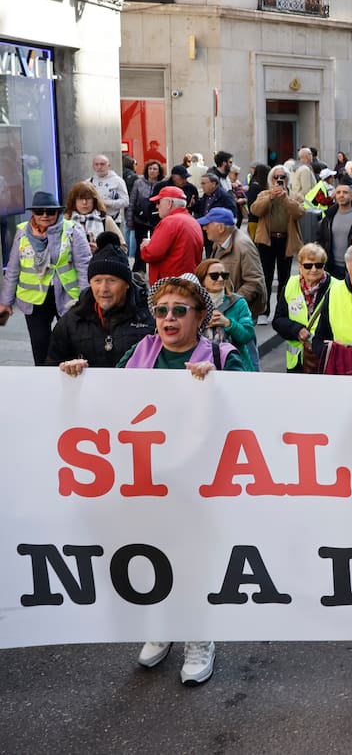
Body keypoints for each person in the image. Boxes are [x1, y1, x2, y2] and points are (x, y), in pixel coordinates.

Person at [60, 272, 245, 685]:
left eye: (180, 310)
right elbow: (106, 397)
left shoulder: (221, 355)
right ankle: (162, 626)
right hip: (147, 481)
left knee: (193, 560)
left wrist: (220, 384)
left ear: (200, 317)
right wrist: (78, 379)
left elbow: (252, 402)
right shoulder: (140, 352)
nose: (168, 318)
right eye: (161, 310)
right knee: (152, 556)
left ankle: (199, 636)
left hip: (201, 486)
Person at [0, 192, 92, 365]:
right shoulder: (22, 232)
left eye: (50, 212)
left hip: (67, 297)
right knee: (40, 345)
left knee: (69, 343)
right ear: (33, 213)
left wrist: (86, 299)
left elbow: (84, 267)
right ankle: (43, 382)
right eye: (39, 211)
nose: (44, 216)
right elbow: (13, 269)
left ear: (57, 212)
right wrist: (5, 302)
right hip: (33, 299)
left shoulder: (72, 229)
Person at [45, 233, 153, 367]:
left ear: (127, 284)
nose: (103, 289)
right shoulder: (72, 320)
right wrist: (66, 367)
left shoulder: (150, 318)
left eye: (111, 281)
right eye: (97, 281)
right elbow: (52, 364)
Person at [250, 165, 306, 314]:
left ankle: (282, 311)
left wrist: (286, 199)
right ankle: (264, 310)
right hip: (267, 240)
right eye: (276, 177)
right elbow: (255, 210)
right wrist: (271, 197)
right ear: (271, 179)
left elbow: (300, 212)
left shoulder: (294, 196)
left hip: (286, 241)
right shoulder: (264, 194)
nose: (279, 180)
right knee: (266, 277)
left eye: (282, 177)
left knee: (284, 278)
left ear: (287, 179)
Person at [196, 207, 268, 320]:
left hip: (238, 313)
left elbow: (254, 282)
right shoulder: (219, 243)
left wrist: (231, 303)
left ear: (220, 227)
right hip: (225, 309)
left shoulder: (243, 246)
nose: (204, 228)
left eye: (208, 224)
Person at [272, 243, 332, 373]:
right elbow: (278, 320)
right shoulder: (290, 284)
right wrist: (296, 330)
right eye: (308, 266)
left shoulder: (337, 287)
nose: (314, 269)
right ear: (300, 267)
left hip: (326, 359)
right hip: (296, 363)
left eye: (319, 265)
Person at [140, 187, 203, 285]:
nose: (157, 206)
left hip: (169, 285)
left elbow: (151, 254)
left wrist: (145, 246)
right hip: (188, 282)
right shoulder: (193, 221)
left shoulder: (170, 221)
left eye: (159, 202)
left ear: (169, 203)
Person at [64, 181, 126, 254]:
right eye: (80, 199)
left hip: (99, 263)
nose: (84, 202)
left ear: (94, 200)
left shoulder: (105, 220)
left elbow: (123, 248)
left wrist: (101, 250)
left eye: (88, 198)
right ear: (74, 201)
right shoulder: (66, 221)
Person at [317, 182, 352, 279]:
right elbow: (321, 238)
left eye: (345, 192)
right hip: (331, 267)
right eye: (338, 192)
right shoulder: (329, 216)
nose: (341, 195)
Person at [130, 161, 164, 272]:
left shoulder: (163, 184)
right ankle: (139, 270)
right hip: (140, 219)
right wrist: (130, 219)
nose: (152, 171)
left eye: (155, 169)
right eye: (150, 168)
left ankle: (156, 269)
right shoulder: (138, 183)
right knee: (140, 246)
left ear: (159, 171)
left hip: (157, 219)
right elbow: (132, 201)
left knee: (157, 245)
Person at [88, 154, 130, 231]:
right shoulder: (89, 182)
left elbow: (125, 201)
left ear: (108, 165)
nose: (99, 167)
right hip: (94, 220)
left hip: (113, 219)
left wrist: (107, 203)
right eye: (96, 164)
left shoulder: (118, 181)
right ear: (93, 166)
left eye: (102, 164)